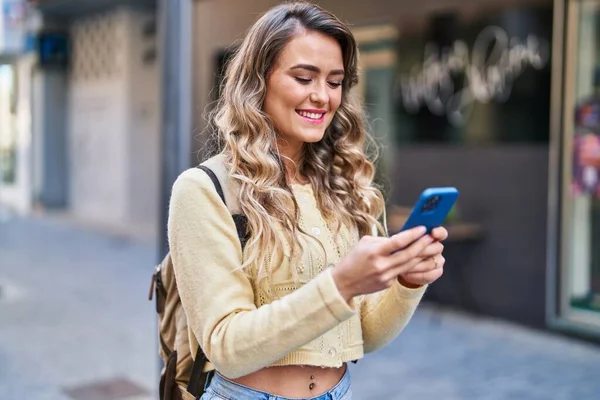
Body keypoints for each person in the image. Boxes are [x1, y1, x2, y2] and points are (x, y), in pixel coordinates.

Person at [168, 2, 447, 399]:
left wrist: (406, 281)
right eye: (303, 77)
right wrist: (341, 283)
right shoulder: (205, 190)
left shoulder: (346, 188)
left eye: (334, 82)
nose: (322, 97)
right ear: (258, 81)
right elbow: (227, 347)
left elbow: (364, 334)